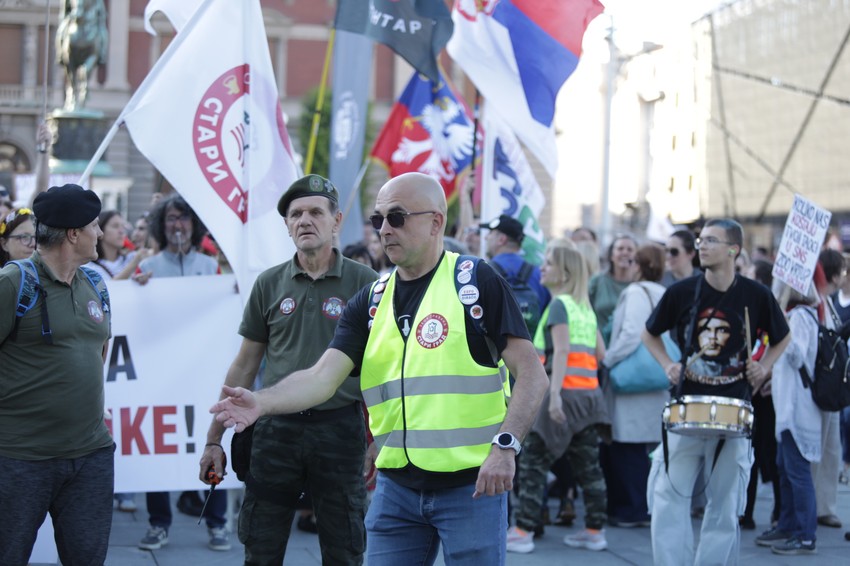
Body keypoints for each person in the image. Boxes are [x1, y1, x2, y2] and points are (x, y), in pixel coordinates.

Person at [211, 171, 549, 565]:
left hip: (470, 487)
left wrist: (505, 447)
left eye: (397, 217)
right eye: (378, 219)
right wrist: (261, 402)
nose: (384, 229)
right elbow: (322, 377)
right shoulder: (371, 299)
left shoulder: (474, 281)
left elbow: (532, 374)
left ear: (436, 222)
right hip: (396, 490)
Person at [201, 175, 378, 565]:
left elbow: (380, 368)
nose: (304, 221)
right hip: (275, 430)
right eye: (295, 214)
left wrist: (378, 437)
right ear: (286, 226)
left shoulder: (366, 283)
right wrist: (214, 439)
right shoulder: (269, 283)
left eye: (316, 212)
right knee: (261, 546)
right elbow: (245, 364)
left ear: (336, 220)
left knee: (345, 547)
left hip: (339, 431)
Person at [642, 218, 791, 565]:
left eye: (711, 240)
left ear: (733, 250)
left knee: (725, 504)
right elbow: (649, 334)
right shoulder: (681, 292)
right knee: (667, 495)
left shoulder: (756, 295)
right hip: (686, 408)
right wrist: (667, 364)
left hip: (734, 410)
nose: (701, 246)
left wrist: (764, 366)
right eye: (700, 240)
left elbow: (783, 336)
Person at [0, 184, 114, 565]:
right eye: (95, 226)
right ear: (73, 234)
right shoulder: (14, 282)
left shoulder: (96, 283)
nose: (100, 234)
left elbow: (99, 350)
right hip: (18, 459)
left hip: (90, 457)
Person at [137, 194, 227, 552]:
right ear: (163, 224)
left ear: (195, 225)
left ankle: (217, 521)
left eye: (185, 219)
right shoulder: (152, 266)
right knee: (158, 449)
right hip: (162, 377)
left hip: (201, 374)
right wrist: (138, 289)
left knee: (214, 443)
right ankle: (159, 523)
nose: (179, 225)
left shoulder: (209, 267)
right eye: (173, 218)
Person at [507, 240, 609, 554]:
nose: (542, 268)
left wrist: (552, 397)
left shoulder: (559, 305)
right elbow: (601, 353)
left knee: (533, 463)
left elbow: (562, 350)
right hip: (588, 398)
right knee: (589, 468)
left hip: (561, 396)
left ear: (563, 273)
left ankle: (522, 531)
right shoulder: (583, 306)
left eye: (548, 263)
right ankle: (594, 530)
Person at [600, 243, 669, 528]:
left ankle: (632, 509)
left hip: (631, 378)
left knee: (627, 445)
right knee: (643, 446)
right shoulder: (663, 292)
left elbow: (631, 333)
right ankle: (640, 506)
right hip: (655, 374)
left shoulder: (636, 292)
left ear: (640, 266)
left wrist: (609, 360)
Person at [753, 279, 822, 555]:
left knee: (797, 472)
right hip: (787, 406)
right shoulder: (793, 317)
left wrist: (779, 321)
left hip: (798, 409)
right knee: (785, 468)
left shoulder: (801, 318)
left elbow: (795, 355)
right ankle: (787, 524)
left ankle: (806, 535)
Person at [811, 249, 846, 529]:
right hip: (817, 385)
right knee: (816, 447)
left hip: (831, 386)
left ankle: (826, 506)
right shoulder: (814, 301)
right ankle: (812, 505)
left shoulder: (828, 301)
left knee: (831, 448)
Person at [480, 214, 550, 320]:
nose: (486, 237)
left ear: (501, 240)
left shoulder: (483, 270)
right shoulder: (541, 274)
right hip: (531, 336)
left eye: (490, 233)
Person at [589, 234, 637, 346]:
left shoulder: (640, 286)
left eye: (630, 249)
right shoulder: (597, 281)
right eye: (620, 249)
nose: (625, 252)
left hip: (628, 349)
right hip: (599, 348)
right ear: (611, 255)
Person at [86, 210, 151, 281]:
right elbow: (107, 289)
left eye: (123, 226)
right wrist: (134, 263)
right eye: (115, 226)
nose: (121, 231)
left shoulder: (131, 257)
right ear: (100, 230)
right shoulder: (89, 266)